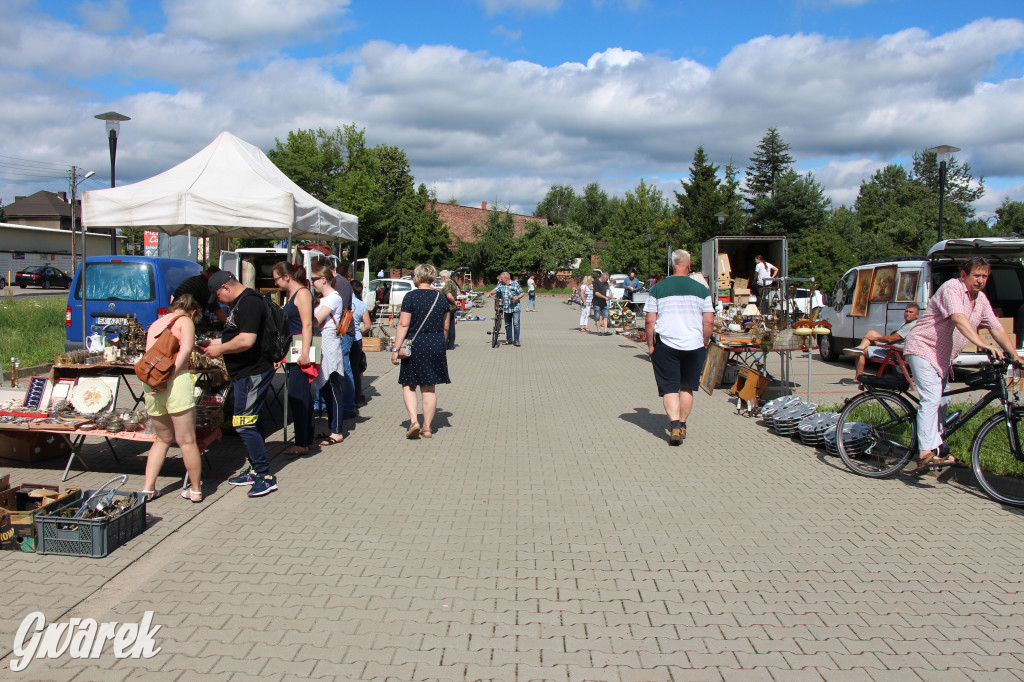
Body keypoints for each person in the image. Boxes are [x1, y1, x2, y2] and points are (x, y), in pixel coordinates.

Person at [903, 257, 1021, 473]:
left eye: (985, 276)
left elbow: (996, 327)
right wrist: (982, 345)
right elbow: (958, 318)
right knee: (931, 397)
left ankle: (938, 450)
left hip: (943, 357)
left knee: (943, 402)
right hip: (923, 347)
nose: (981, 280)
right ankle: (925, 452)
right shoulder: (952, 288)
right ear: (964, 275)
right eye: (977, 275)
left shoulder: (981, 299)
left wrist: (1014, 355)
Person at [200, 271, 278, 497]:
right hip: (245, 373)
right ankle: (255, 469)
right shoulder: (241, 303)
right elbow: (236, 334)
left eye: (218, 297)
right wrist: (212, 342)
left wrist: (219, 349)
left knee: (243, 423)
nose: (219, 303)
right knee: (251, 420)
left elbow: (247, 340)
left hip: (253, 372)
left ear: (225, 287)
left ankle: (265, 476)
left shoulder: (250, 302)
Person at [644, 249, 714, 446]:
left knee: (669, 387)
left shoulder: (658, 288)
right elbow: (708, 322)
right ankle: (682, 424)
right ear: (689, 265)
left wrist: (651, 345)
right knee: (687, 387)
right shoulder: (702, 290)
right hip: (694, 345)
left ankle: (674, 425)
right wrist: (704, 342)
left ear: (673, 265)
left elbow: (650, 321)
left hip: (666, 344)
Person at [140, 294, 204, 503]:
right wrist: (171, 376)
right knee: (187, 440)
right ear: (192, 311)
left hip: (152, 384)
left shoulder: (157, 323)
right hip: (176, 382)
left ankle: (148, 488)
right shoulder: (185, 321)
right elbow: (185, 351)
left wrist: (158, 381)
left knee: (162, 439)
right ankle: (195, 490)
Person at [391, 263, 450, 438]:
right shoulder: (441, 299)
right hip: (435, 342)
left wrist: (396, 348)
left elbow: (403, 324)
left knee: (409, 384)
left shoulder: (411, 297)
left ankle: (414, 421)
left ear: (417, 277)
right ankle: (427, 427)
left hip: (415, 344)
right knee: (429, 387)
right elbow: (446, 327)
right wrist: (441, 344)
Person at [273, 262, 315, 457]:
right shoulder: (293, 295)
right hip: (294, 349)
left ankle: (302, 442)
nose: (275, 283)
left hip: (300, 350)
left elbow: (307, 324)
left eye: (276, 279)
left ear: (286, 276)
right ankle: (305, 440)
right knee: (300, 395)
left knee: (299, 396)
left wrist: (305, 352)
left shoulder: (302, 294)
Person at [312, 258, 358, 420]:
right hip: (340, 332)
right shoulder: (341, 284)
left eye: (315, 278)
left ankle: (347, 406)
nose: (313, 282)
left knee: (341, 371)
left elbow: (336, 310)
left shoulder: (340, 286)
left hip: (340, 332)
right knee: (337, 371)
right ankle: (329, 404)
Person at [311, 268, 346, 447]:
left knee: (332, 389)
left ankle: (337, 430)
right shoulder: (325, 298)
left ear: (323, 279)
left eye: (314, 279)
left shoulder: (334, 297)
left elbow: (316, 321)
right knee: (325, 388)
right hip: (321, 344)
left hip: (328, 345)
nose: (312, 283)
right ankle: (332, 427)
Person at [843, 303, 920, 376]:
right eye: (906, 311)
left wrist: (875, 339)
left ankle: (858, 377)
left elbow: (891, 339)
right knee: (871, 332)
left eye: (911, 312)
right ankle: (859, 348)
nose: (907, 314)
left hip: (894, 352)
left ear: (917, 315)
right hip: (892, 348)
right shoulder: (911, 324)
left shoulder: (910, 326)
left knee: (862, 352)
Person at [487, 272, 525, 347]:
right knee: (507, 324)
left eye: (502, 278)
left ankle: (516, 340)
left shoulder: (515, 284)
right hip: (507, 307)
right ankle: (509, 340)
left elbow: (522, 293)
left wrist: (516, 298)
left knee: (516, 324)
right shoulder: (501, 284)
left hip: (515, 307)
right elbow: (495, 290)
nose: (500, 279)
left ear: (506, 279)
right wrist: (489, 293)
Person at [351, 279, 372, 407]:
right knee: (357, 369)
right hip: (357, 339)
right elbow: (368, 325)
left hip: (343, 338)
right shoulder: (361, 304)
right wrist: (359, 330)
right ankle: (357, 398)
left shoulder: (343, 301)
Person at [439, 269, 459, 350]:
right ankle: (451, 344)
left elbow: (449, 295)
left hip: (449, 307)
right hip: (453, 308)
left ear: (444, 277)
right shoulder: (453, 282)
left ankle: (445, 344)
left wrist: (454, 302)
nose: (440, 279)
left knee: (445, 326)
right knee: (451, 326)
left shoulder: (447, 284)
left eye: (441, 277)